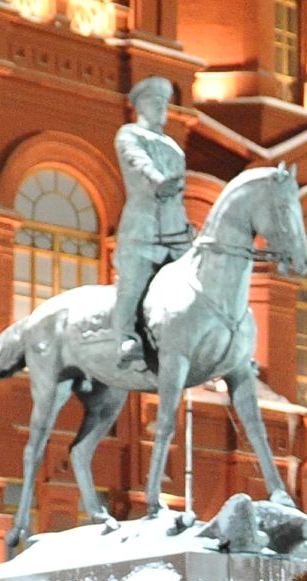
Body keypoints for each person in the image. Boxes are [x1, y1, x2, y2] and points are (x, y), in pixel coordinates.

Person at [113, 76, 193, 368]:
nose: (162, 108)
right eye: (155, 102)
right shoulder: (129, 135)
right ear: (140, 105)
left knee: (200, 281)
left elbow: (179, 195)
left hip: (175, 232)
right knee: (133, 283)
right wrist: (159, 183)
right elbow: (138, 165)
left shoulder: (173, 146)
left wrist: (186, 228)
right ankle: (125, 338)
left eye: (165, 103)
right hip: (143, 229)